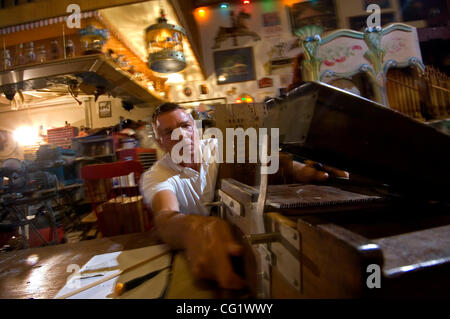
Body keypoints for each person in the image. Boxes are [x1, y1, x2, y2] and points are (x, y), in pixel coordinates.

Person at [140, 102, 348, 290]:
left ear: (196, 127)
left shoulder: (218, 148)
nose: (181, 136)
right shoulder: (156, 175)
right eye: (168, 132)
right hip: (204, 266)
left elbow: (264, 160)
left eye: (185, 126)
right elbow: (165, 216)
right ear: (159, 142)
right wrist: (194, 229)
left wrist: (302, 170)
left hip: (249, 250)